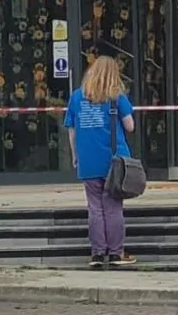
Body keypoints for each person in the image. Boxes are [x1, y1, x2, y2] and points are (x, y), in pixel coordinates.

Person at [64, 55, 138, 268]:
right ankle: (116, 253)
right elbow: (130, 125)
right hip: (114, 162)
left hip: (88, 160)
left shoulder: (77, 97)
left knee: (94, 207)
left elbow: (72, 130)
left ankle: (97, 253)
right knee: (114, 207)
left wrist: (75, 155)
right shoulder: (117, 97)